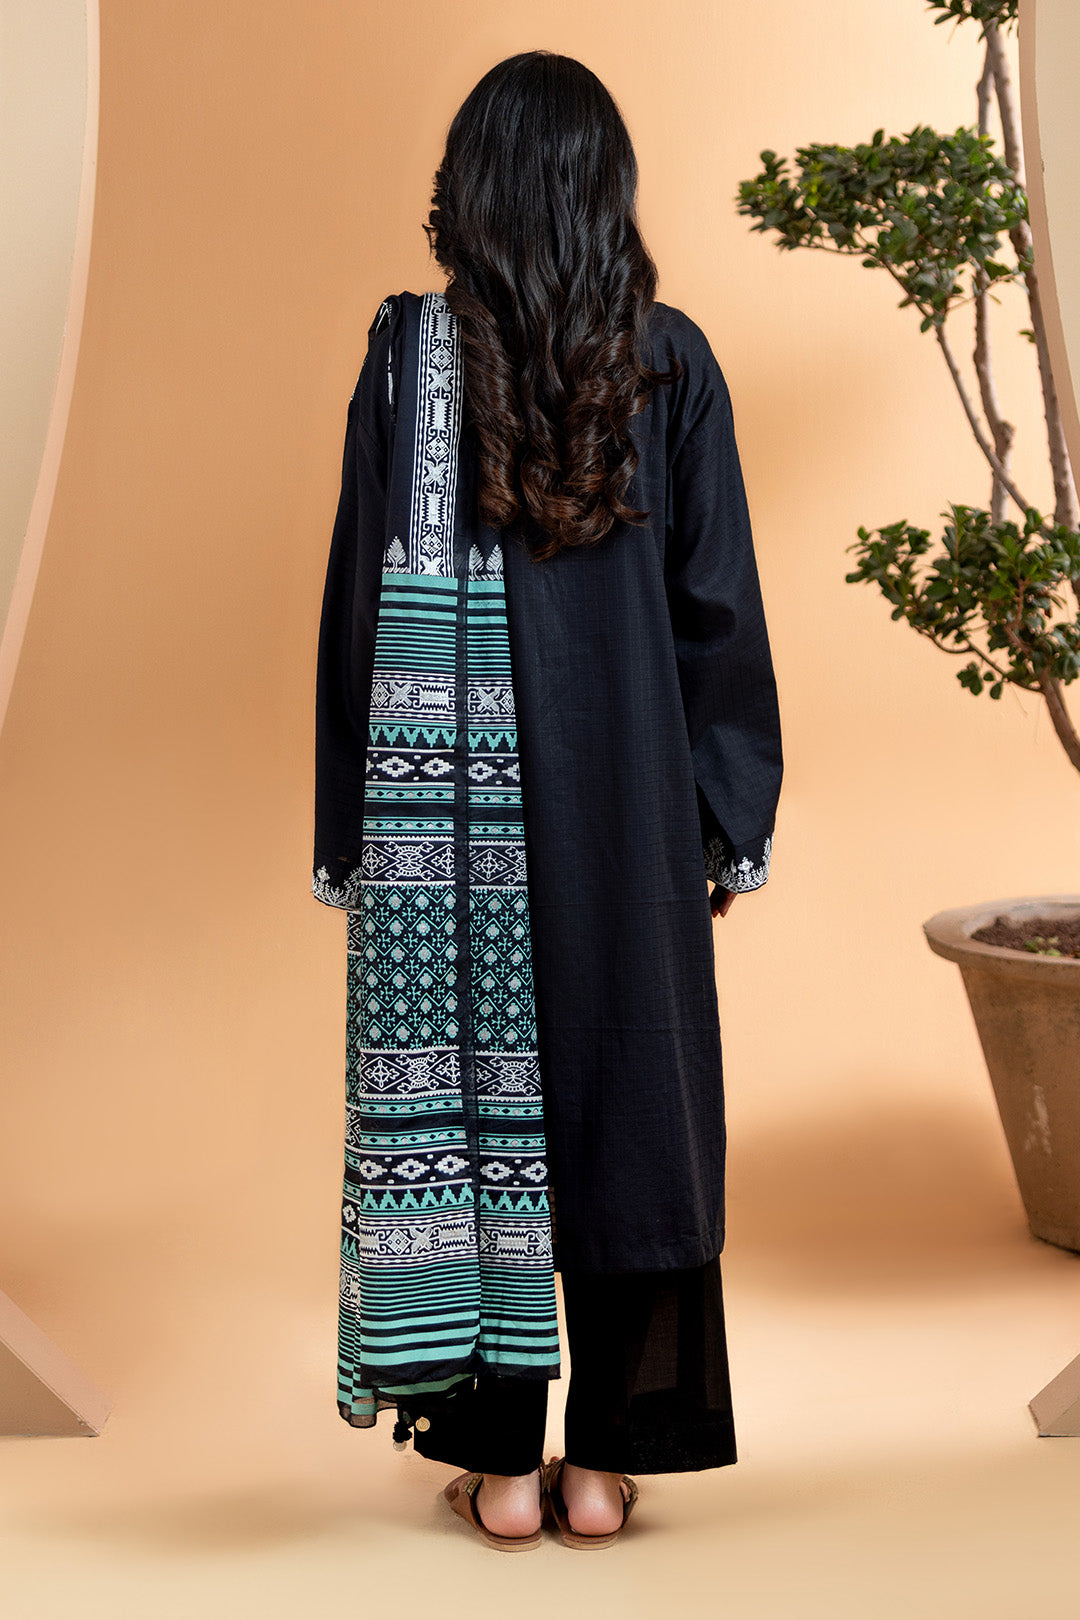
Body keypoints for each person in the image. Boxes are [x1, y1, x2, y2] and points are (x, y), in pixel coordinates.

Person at [312, 50, 783, 1550]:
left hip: (453, 836)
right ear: (605, 191)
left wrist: (354, 832)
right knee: (631, 1106)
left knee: (485, 1109)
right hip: (627, 812)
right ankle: (604, 1468)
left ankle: (502, 1470)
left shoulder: (410, 361)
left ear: (472, 190)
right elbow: (717, 613)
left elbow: (359, 608)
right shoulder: (670, 361)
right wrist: (724, 824)